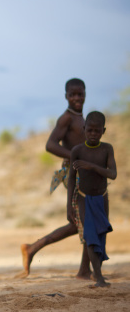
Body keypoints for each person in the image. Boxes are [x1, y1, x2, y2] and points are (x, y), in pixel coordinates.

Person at [20, 78, 92, 279]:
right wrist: (74, 155)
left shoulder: (81, 117)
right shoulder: (66, 118)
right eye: (73, 94)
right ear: (66, 97)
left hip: (84, 172)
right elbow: (50, 144)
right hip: (74, 173)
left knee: (78, 224)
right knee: (87, 222)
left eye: (80, 93)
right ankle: (84, 270)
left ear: (85, 93)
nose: (77, 97)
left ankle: (32, 248)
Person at [67, 111, 117, 287]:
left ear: (103, 131)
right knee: (89, 236)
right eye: (90, 130)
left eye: (97, 131)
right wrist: (69, 207)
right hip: (83, 198)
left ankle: (97, 273)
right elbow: (72, 178)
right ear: (84, 129)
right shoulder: (77, 151)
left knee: (101, 234)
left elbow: (113, 174)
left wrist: (92, 166)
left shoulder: (107, 149)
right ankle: (99, 276)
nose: (93, 134)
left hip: (102, 198)